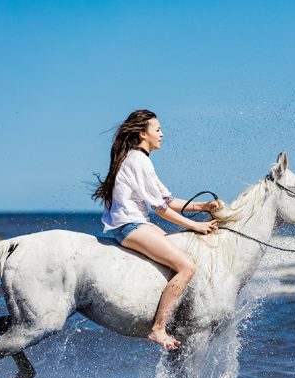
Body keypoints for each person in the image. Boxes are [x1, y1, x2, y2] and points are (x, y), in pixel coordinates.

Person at [92, 109, 220, 350]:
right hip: (130, 226)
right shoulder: (138, 161)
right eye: (157, 130)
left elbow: (170, 201)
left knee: (182, 255)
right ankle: (158, 328)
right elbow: (161, 209)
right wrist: (195, 225)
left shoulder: (138, 159)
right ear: (142, 134)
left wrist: (205, 206)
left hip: (136, 224)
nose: (162, 134)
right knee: (187, 266)